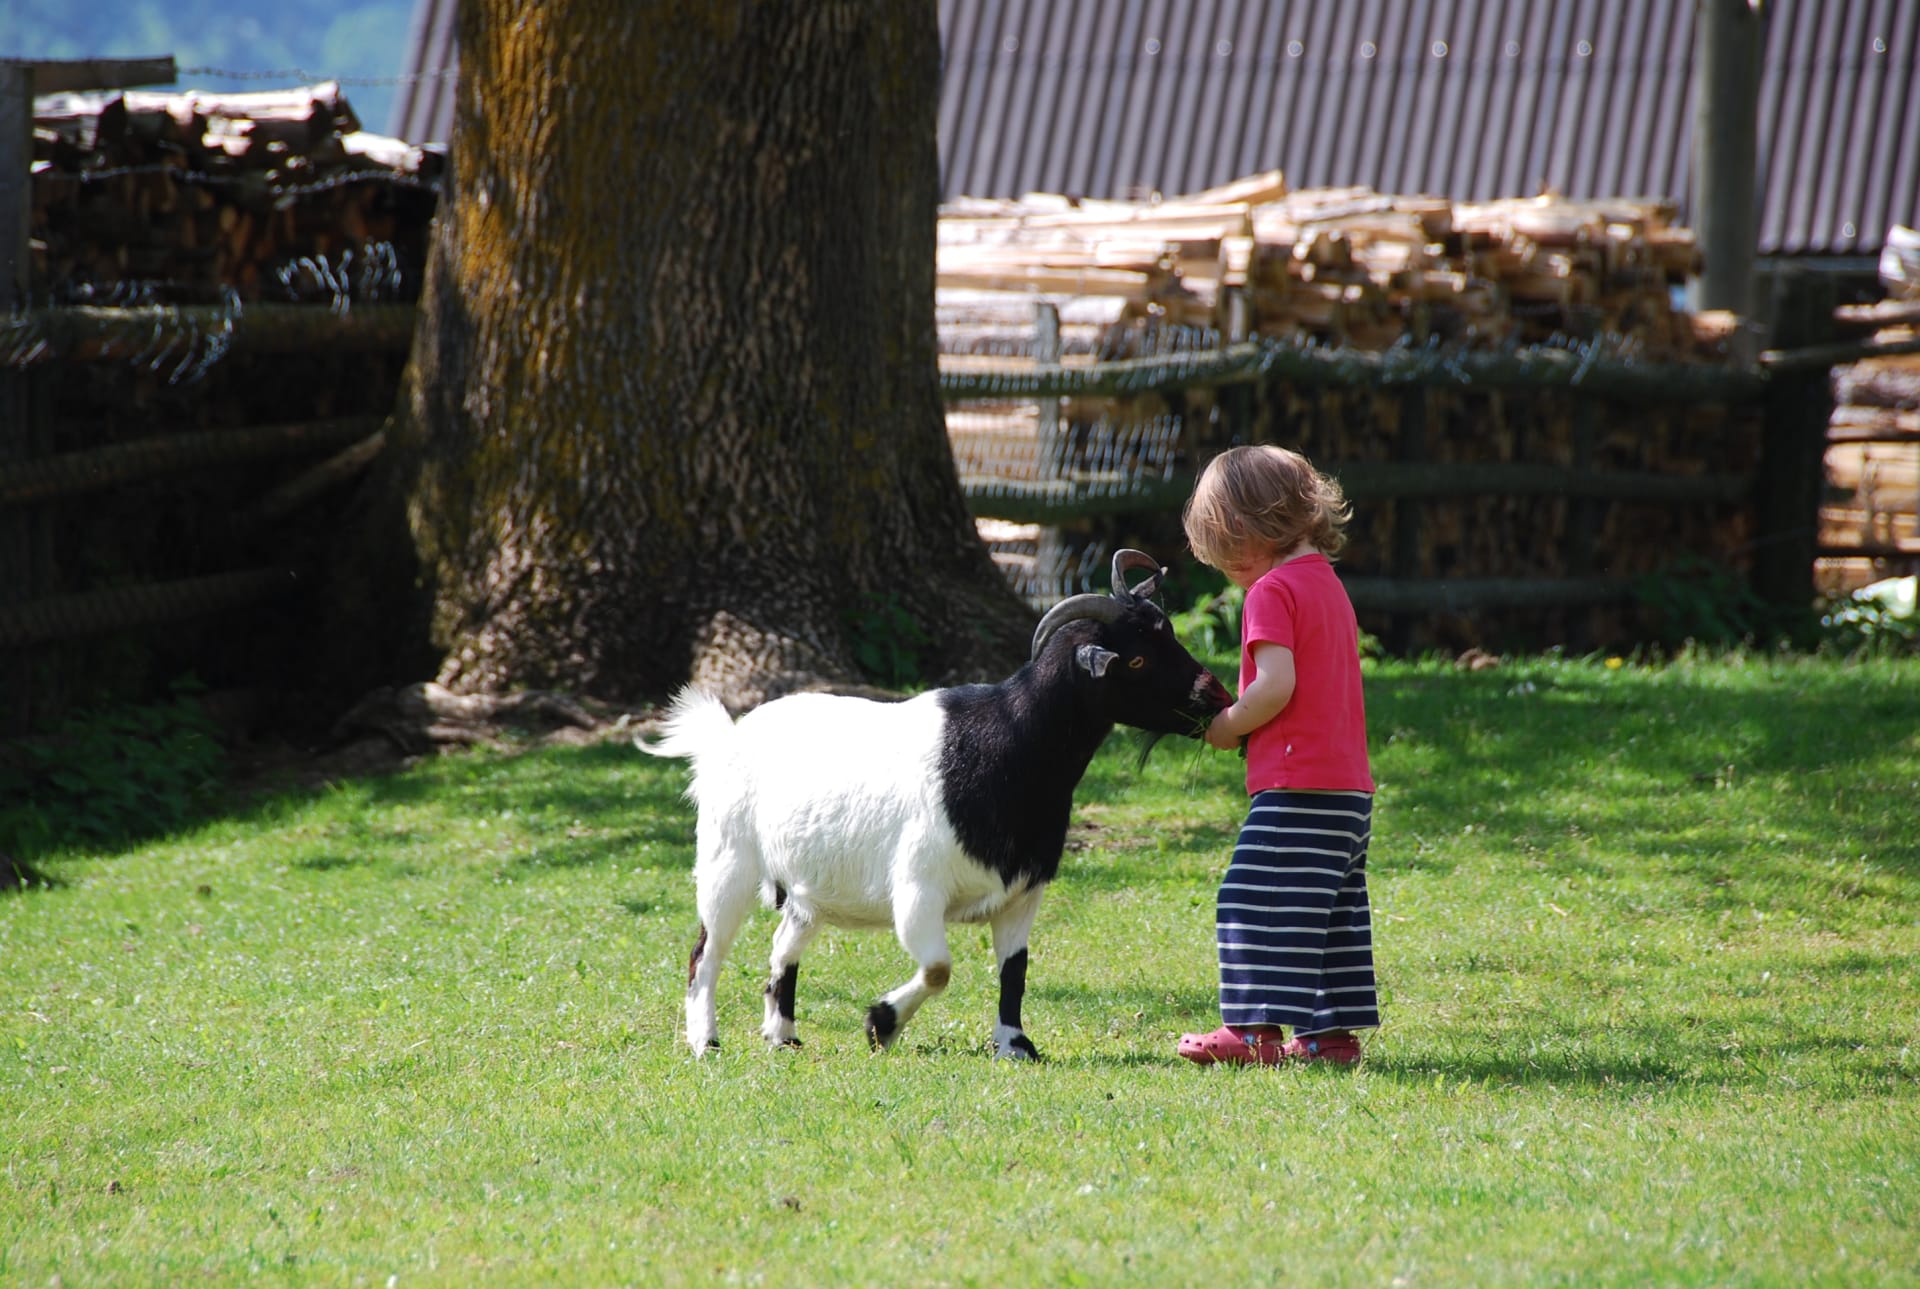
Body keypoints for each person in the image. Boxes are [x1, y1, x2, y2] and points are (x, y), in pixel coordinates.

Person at [1175, 444, 1379, 1067]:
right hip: (1349, 789)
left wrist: (1227, 726)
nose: (1229, 572)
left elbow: (1274, 687)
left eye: (1227, 554)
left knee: (1253, 899)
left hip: (1296, 785)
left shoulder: (1272, 590)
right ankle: (1329, 1037)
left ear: (1245, 529)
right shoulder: (1328, 586)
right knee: (1325, 913)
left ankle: (1250, 1032)